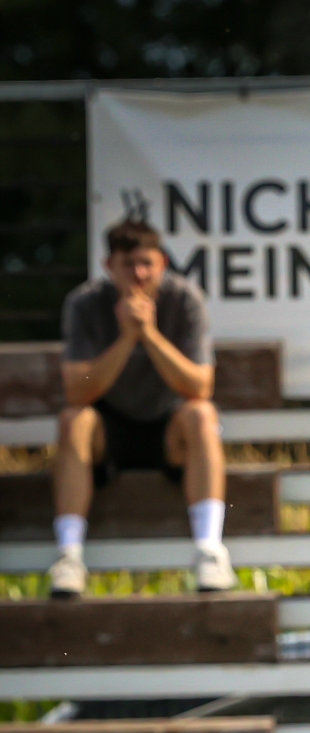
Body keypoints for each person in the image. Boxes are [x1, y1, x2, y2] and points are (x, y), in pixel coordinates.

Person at [49, 217, 229, 597]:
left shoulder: (184, 299)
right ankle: (69, 557)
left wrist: (148, 334)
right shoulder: (84, 302)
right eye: (128, 264)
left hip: (169, 430)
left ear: (163, 263)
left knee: (202, 414)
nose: (139, 273)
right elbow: (77, 390)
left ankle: (210, 552)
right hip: (108, 430)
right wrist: (126, 340)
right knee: (73, 420)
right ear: (108, 266)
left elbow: (200, 386)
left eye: (147, 263)